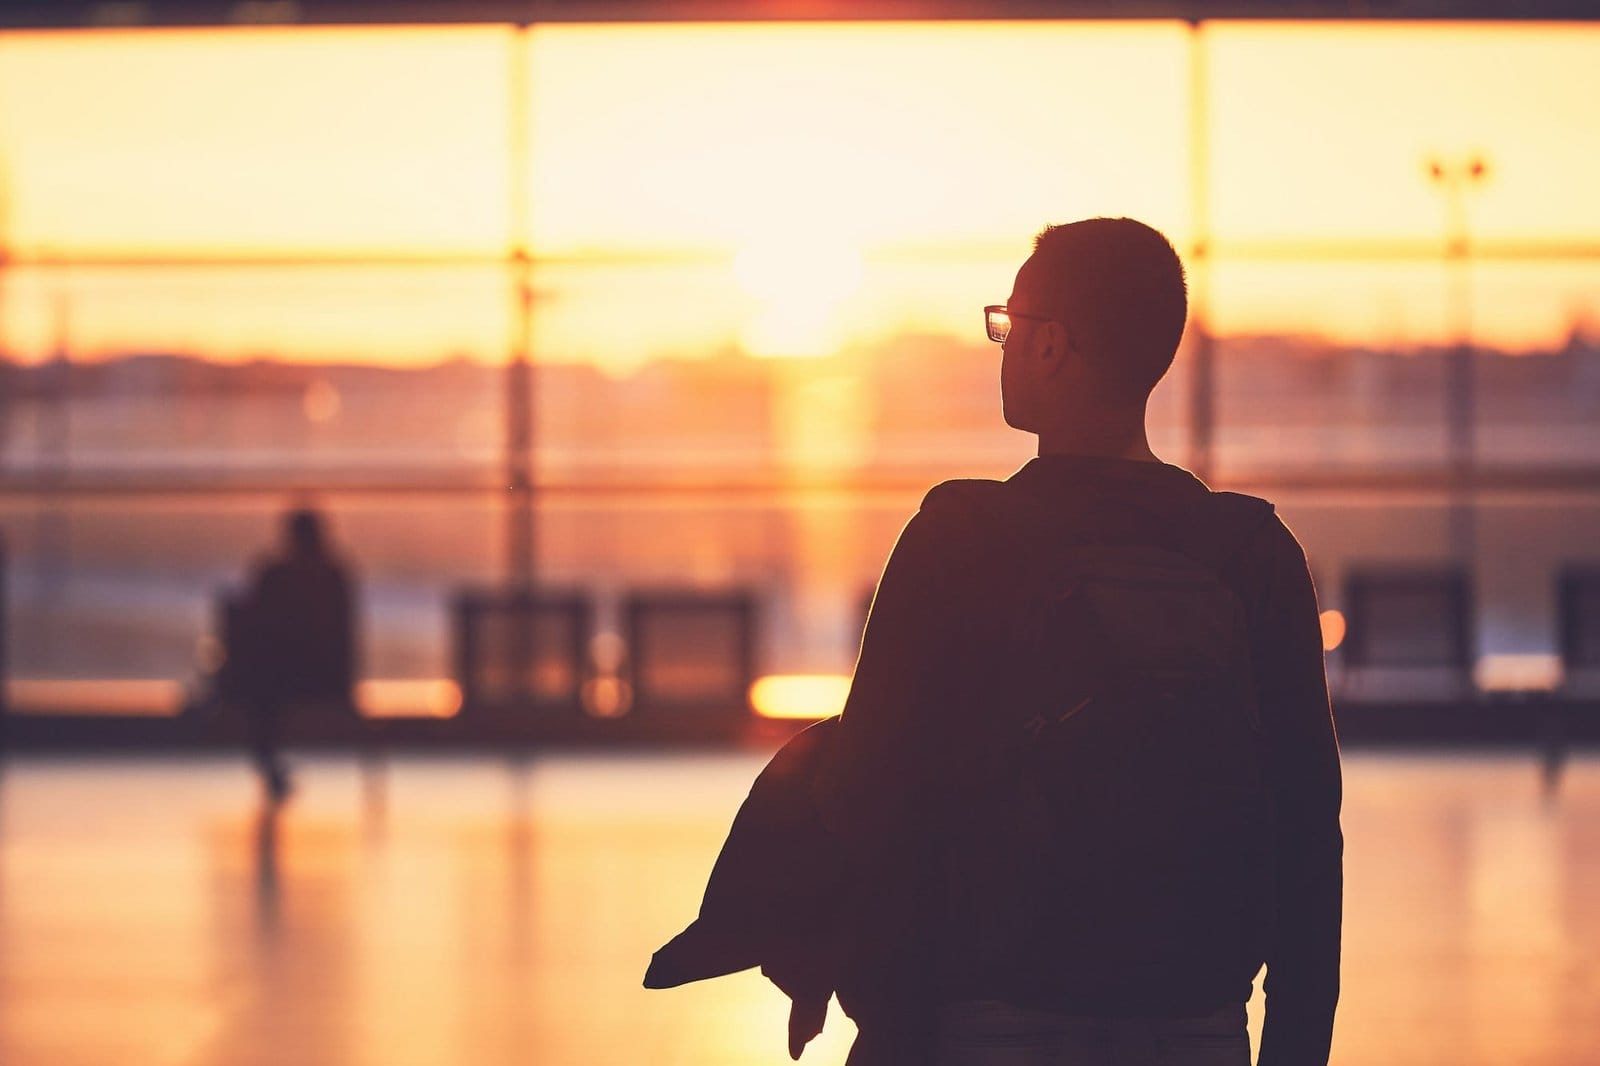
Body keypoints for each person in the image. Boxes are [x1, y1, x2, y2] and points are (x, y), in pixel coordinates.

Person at [234, 507, 357, 802]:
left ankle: (268, 764)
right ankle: (270, 766)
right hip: (324, 677)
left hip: (285, 678)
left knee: (261, 684)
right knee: (264, 681)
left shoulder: (276, 574)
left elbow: (255, 620)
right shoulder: (335, 575)